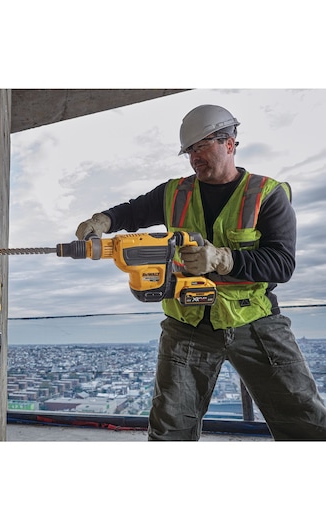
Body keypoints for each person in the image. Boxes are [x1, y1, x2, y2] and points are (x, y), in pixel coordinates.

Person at [75, 104, 326, 441]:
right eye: (190, 150)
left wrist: (223, 259)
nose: (195, 157)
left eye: (203, 145)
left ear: (230, 143)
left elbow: (281, 264)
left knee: (304, 420)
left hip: (253, 321)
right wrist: (101, 220)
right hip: (187, 323)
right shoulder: (174, 193)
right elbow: (131, 212)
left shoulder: (266, 194)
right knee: (170, 427)